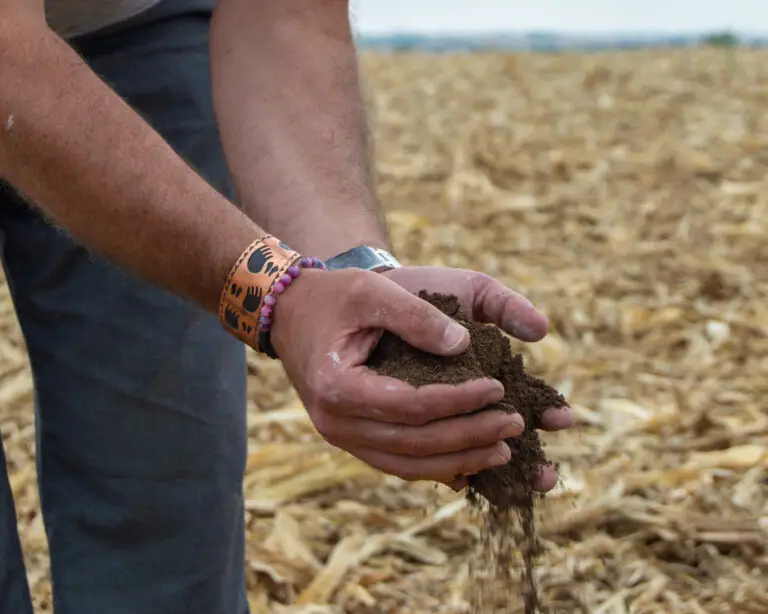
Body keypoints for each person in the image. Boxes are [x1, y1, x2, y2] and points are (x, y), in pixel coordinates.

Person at [0, 1, 574, 612]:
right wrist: (275, 294)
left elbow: (285, 14)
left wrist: (349, 275)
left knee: (162, 478)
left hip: (134, 27)